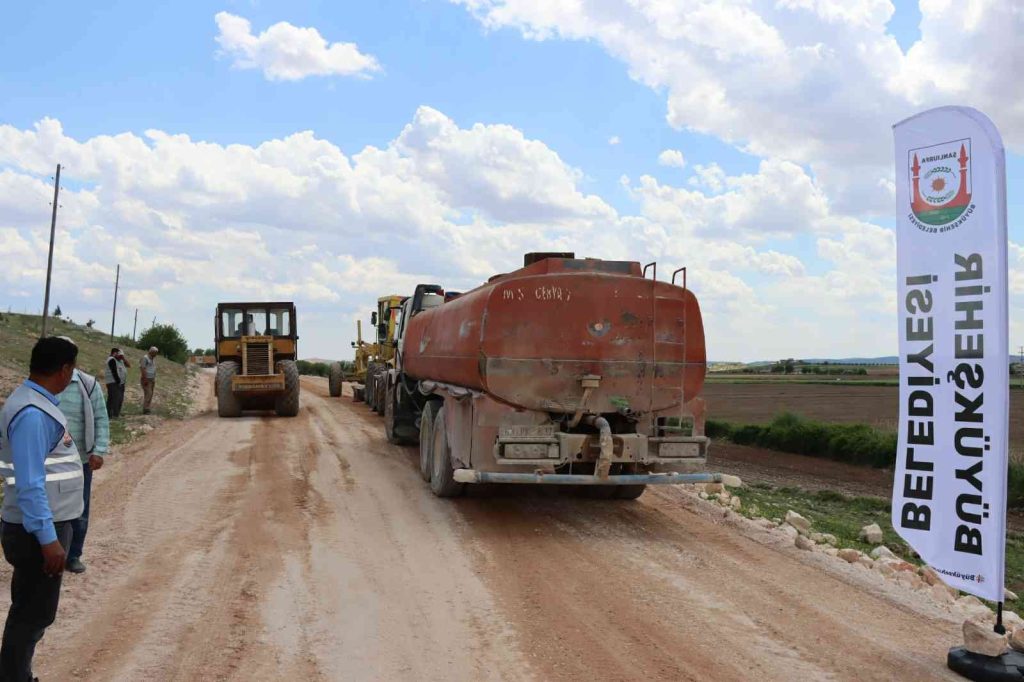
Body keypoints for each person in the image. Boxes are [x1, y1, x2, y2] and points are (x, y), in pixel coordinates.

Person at [0, 336, 84, 681]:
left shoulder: (34, 402)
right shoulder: (33, 413)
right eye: (72, 368)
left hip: (37, 524)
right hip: (36, 529)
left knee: (29, 608)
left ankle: (15, 673)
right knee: (33, 613)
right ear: (64, 370)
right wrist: (49, 539)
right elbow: (30, 482)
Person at [57, 364, 109, 574]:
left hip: (80, 460)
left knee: (79, 509)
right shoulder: (45, 382)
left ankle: (73, 555)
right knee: (50, 509)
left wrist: (99, 450)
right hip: (47, 461)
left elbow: (101, 419)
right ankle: (50, 554)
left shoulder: (87, 384)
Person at [104, 348, 129, 418]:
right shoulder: (111, 359)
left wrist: (123, 358)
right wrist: (118, 381)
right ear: (114, 353)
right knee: (115, 398)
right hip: (113, 382)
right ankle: (113, 414)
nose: (118, 355)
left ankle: (113, 413)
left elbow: (128, 365)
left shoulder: (119, 360)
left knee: (116, 398)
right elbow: (114, 371)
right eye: (117, 353)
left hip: (118, 382)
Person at [140, 346, 158, 415]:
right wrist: (145, 379)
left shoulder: (152, 359)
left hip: (152, 379)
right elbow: (143, 369)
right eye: (155, 353)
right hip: (146, 379)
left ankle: (147, 408)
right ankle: (146, 409)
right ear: (151, 352)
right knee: (148, 393)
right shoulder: (145, 358)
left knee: (150, 394)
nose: (156, 355)